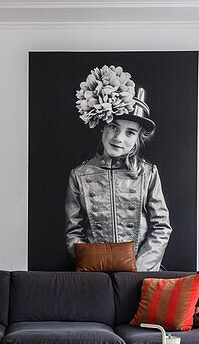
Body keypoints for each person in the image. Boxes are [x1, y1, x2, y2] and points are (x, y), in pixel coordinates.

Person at [64, 66, 171, 270]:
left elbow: (161, 227)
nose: (118, 138)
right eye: (114, 127)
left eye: (130, 132)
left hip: (141, 274)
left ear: (137, 138)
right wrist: (92, 267)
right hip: (95, 274)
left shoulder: (148, 173)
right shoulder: (79, 175)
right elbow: (73, 232)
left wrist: (138, 269)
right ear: (102, 126)